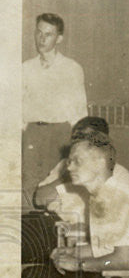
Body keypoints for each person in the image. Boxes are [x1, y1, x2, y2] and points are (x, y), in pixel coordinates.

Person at [47, 132, 129, 275]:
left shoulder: (119, 199)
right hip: (108, 277)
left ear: (100, 163)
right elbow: (104, 249)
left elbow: (123, 261)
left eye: (77, 161)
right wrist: (72, 252)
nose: (70, 168)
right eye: (69, 162)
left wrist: (79, 264)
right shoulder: (102, 196)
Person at [22, 12, 89, 207]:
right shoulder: (26, 68)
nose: (42, 39)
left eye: (48, 34)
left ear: (59, 38)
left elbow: (79, 112)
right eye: (39, 33)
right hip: (32, 134)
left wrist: (78, 144)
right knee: (28, 187)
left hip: (60, 135)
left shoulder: (71, 68)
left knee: (55, 188)